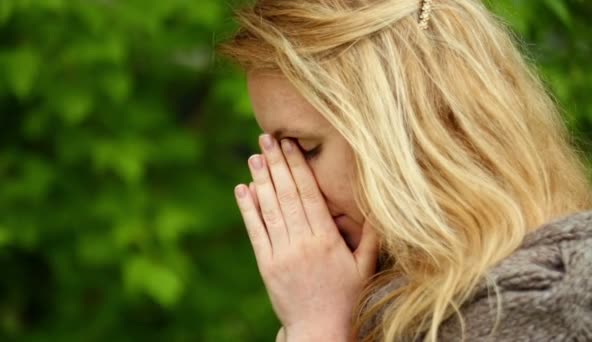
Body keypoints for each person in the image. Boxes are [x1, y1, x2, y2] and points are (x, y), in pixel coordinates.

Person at [220, 0, 592, 341]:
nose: (287, 183)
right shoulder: (381, 296)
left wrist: (319, 329)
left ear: (406, 134)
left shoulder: (544, 304)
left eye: (305, 149)